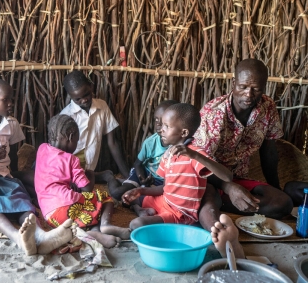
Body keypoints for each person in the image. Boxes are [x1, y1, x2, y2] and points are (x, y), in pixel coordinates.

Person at [0, 79, 74, 255]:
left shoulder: (11, 124)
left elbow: (13, 153)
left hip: (2, 174)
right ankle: (17, 238)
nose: (11, 103)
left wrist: (13, 175)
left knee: (22, 200)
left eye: (11, 99)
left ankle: (40, 235)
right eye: (5, 100)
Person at [194, 58, 293, 258]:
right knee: (206, 201)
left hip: (238, 177)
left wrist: (275, 189)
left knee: (283, 203)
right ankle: (224, 235)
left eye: (256, 89)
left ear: (265, 86)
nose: (249, 94)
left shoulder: (267, 108)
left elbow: (269, 153)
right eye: (243, 87)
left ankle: (224, 210)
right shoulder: (214, 114)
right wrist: (229, 188)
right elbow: (199, 163)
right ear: (233, 83)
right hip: (208, 178)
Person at [122, 103, 233, 231]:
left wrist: (196, 156)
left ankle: (146, 214)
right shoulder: (168, 153)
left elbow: (228, 177)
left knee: (136, 224)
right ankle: (142, 209)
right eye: (162, 125)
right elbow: (165, 188)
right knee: (131, 198)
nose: (161, 129)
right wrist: (140, 190)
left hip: (179, 213)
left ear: (184, 132)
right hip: (165, 201)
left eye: (167, 126)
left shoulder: (194, 154)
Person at [35, 114, 131, 248]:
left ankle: (95, 233)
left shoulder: (42, 149)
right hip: (66, 206)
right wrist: (90, 175)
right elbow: (87, 189)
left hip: (51, 216)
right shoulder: (71, 159)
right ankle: (105, 225)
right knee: (103, 197)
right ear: (70, 137)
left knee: (85, 211)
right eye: (77, 140)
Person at [60, 70, 130, 183]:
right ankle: (104, 176)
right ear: (71, 96)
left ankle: (105, 176)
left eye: (86, 94)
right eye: (78, 99)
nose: (84, 100)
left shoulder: (102, 106)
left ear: (90, 86)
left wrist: (127, 175)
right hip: (70, 168)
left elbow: (112, 142)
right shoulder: (66, 116)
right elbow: (62, 152)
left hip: (89, 169)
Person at [108, 100, 178, 201]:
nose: (158, 125)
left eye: (163, 122)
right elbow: (137, 164)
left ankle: (131, 190)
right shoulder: (150, 143)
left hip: (162, 182)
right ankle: (109, 178)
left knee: (144, 200)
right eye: (156, 120)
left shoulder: (181, 147)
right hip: (145, 173)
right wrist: (142, 178)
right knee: (117, 193)